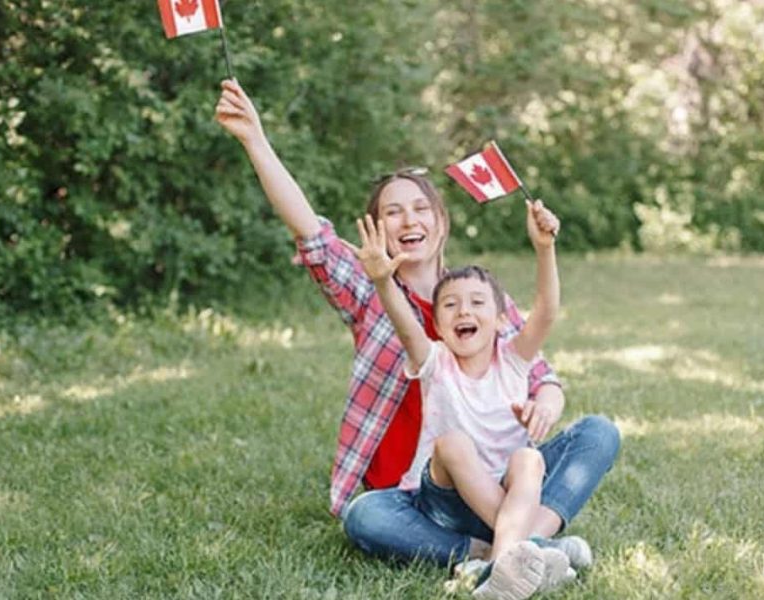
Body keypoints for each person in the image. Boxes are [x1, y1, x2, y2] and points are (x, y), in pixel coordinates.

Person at [214, 79, 620, 569]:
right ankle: (520, 549)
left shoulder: (477, 299)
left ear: (441, 223)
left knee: (597, 433)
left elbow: (540, 373)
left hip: (496, 478)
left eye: (421, 208)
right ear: (377, 230)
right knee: (365, 517)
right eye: (393, 212)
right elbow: (309, 230)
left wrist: (545, 406)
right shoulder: (369, 287)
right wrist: (255, 140)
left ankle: (516, 543)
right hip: (417, 495)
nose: (409, 220)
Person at [351, 200, 575, 598]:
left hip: (509, 494)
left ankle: (499, 567)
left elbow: (546, 312)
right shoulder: (435, 361)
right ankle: (533, 547)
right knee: (365, 513)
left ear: (502, 319)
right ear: (437, 325)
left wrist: (545, 249)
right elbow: (407, 329)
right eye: (451, 305)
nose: (463, 312)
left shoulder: (514, 359)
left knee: (533, 457)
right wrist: (384, 282)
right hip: (444, 503)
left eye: (477, 303)